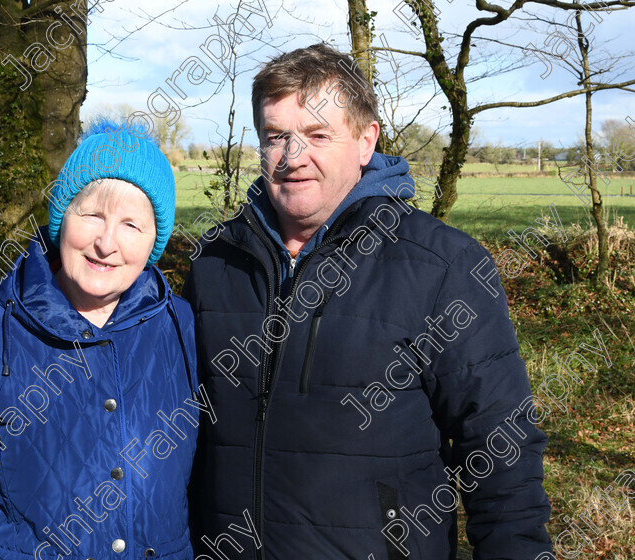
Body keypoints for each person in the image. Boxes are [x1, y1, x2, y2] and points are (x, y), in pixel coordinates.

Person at [184, 44, 553, 559]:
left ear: (365, 140)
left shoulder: (442, 267)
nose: (292, 158)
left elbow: (499, 449)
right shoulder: (214, 263)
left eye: (317, 135)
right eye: (276, 137)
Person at [0, 121, 200, 560]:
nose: (107, 243)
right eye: (91, 214)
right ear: (61, 216)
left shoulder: (181, 327)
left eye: (132, 224)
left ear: (153, 243)